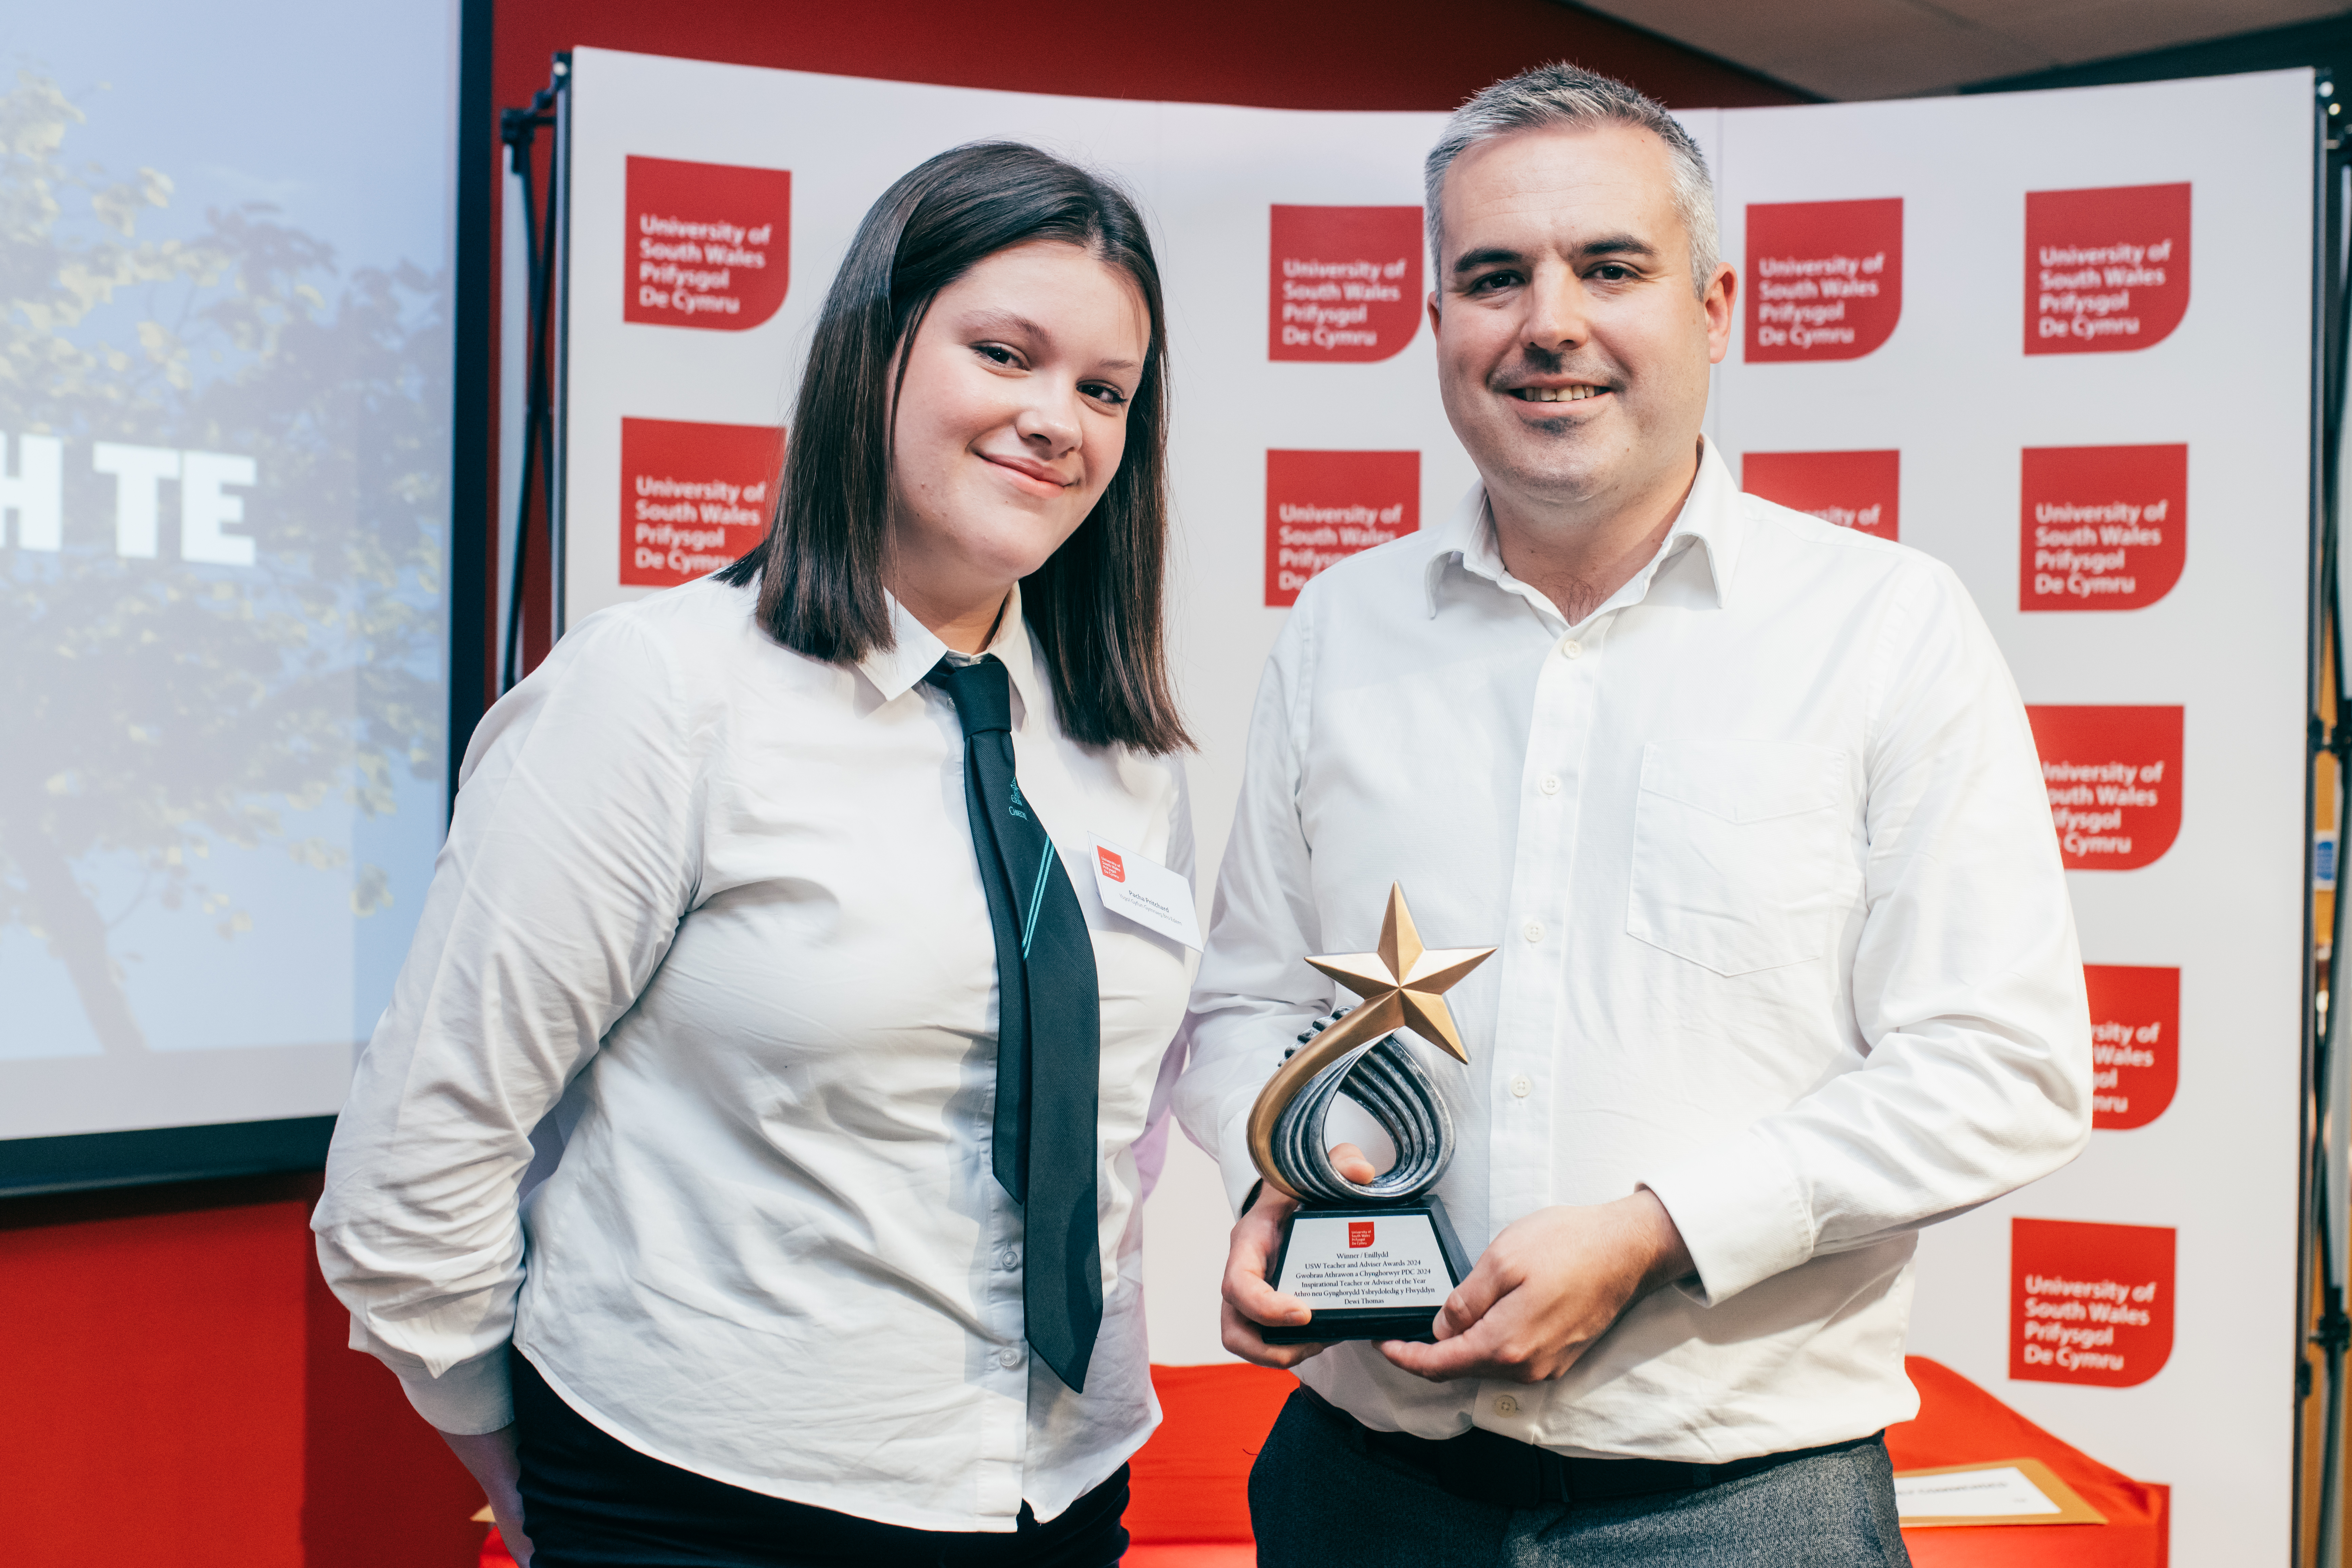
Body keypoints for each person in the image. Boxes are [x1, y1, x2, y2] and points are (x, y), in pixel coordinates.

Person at [1176, 64, 2091, 1566]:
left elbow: (2004, 1066)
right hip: (1361, 1491)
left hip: (1743, 1510)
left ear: (1713, 307)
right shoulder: (1338, 631)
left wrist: (1659, 1232)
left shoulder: (1884, 629)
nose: (1548, 324)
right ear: (1435, 327)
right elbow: (1248, 1005)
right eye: (1491, 277)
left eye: (1608, 267)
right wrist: (1277, 1172)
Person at [315, 142, 1196, 1568]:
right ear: (876, 352)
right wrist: (531, 1469)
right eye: (1004, 353)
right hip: (703, 1503)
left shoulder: (1124, 758)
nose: (1056, 419)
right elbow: (422, 1157)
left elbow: (1110, 1142)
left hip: (1061, 1493)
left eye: (1103, 389)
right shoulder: (658, 693)